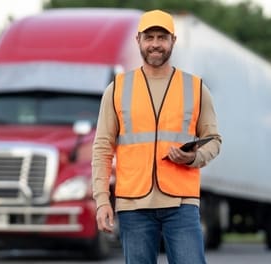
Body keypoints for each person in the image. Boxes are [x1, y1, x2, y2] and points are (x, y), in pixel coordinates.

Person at [92, 9, 222, 264]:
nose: (155, 44)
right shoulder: (117, 88)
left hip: (181, 203)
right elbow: (102, 148)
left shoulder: (195, 87)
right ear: (138, 40)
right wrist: (101, 200)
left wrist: (193, 158)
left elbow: (214, 139)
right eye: (149, 37)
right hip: (133, 205)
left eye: (162, 37)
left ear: (173, 40)